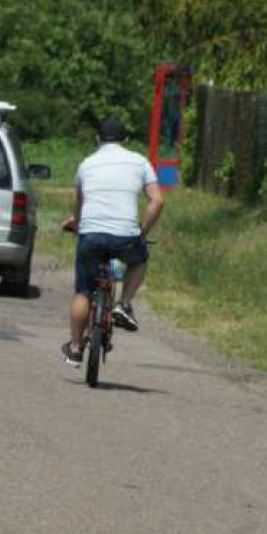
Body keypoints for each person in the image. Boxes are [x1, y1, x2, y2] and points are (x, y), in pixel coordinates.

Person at [60, 118, 164, 365]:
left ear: (97, 138)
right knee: (139, 260)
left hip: (92, 235)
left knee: (83, 291)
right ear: (126, 140)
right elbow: (157, 201)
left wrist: (76, 225)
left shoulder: (86, 164)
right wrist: (141, 233)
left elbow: (80, 206)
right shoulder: (140, 162)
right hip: (125, 236)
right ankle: (124, 304)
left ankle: (75, 348)